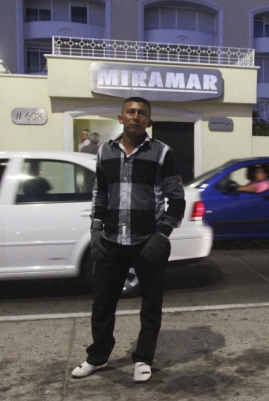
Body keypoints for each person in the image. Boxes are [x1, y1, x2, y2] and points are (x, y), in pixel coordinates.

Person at [72, 97, 186, 383]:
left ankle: (144, 358)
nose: (136, 117)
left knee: (150, 305)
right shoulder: (104, 152)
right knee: (102, 304)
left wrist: (162, 235)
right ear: (121, 118)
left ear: (148, 121)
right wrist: (96, 230)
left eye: (142, 113)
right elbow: (100, 195)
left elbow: (178, 200)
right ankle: (98, 357)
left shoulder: (162, 154)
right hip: (111, 240)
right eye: (131, 112)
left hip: (148, 243)